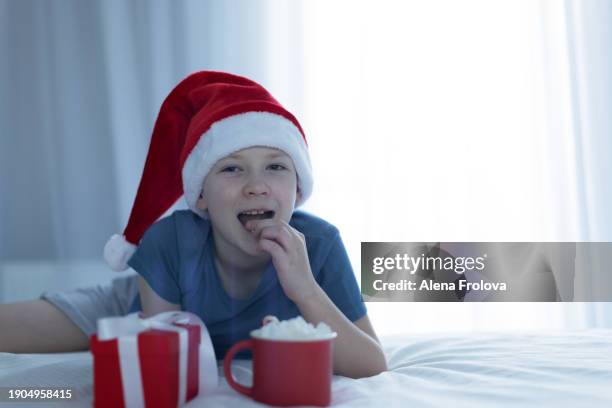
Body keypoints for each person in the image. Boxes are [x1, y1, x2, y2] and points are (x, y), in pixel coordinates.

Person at [0, 71, 387, 379]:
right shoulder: (170, 241)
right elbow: (165, 361)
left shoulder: (320, 244)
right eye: (232, 169)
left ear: (297, 187)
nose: (256, 186)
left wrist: (306, 291)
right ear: (200, 196)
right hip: (131, 307)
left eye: (276, 167)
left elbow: (372, 363)